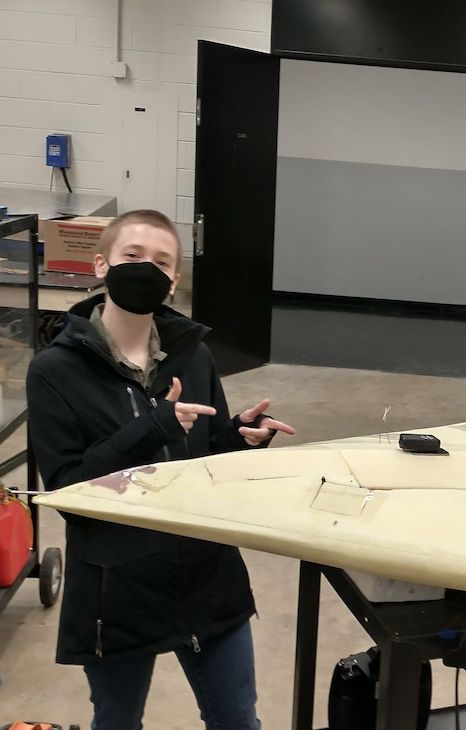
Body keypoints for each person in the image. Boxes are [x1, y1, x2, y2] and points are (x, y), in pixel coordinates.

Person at [26, 209, 295, 729]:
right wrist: (154, 425)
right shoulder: (54, 371)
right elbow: (68, 489)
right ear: (102, 264)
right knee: (118, 720)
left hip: (206, 574)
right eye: (133, 256)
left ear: (173, 282)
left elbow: (206, 457)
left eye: (162, 262)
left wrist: (238, 438)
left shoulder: (193, 356)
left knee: (238, 719)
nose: (146, 268)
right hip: (117, 586)